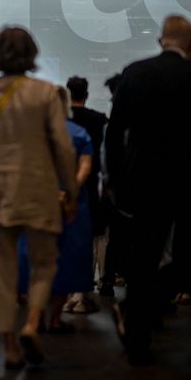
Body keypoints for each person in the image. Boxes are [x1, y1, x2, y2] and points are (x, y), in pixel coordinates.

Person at [0, 27, 82, 368]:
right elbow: (62, 146)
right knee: (44, 262)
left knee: (1, 271)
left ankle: (10, 345)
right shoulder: (46, 94)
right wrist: (69, 192)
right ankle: (31, 324)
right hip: (38, 188)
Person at [105, 16, 191, 365]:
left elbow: (116, 131)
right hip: (189, 180)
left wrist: (114, 178)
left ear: (161, 40)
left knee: (144, 257)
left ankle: (138, 339)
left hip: (144, 179)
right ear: (190, 43)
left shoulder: (135, 72)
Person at [65, 75, 107, 313]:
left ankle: (70, 291)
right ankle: (84, 290)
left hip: (61, 186)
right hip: (91, 186)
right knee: (90, 238)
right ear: (87, 94)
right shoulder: (98, 120)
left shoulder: (60, 120)